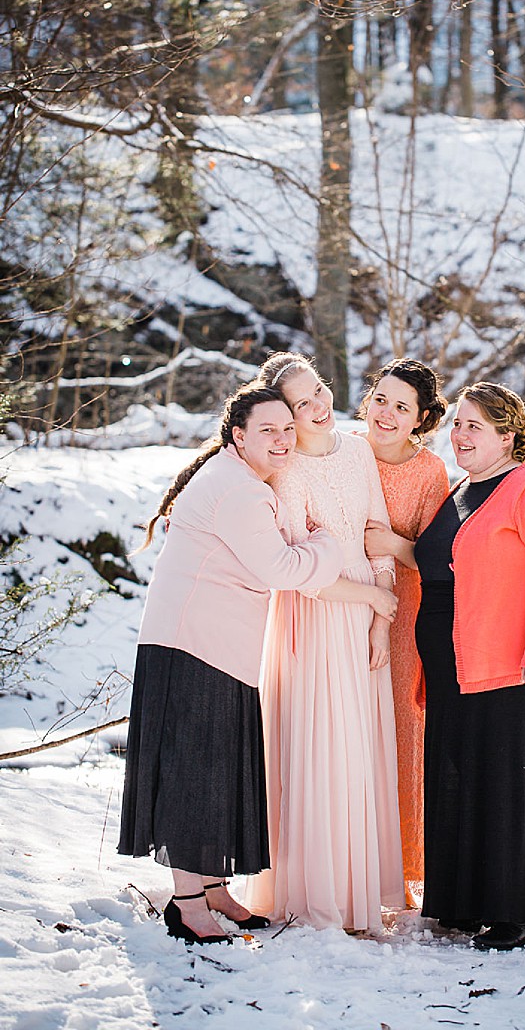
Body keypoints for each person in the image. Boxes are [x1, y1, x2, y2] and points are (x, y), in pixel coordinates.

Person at [118, 383, 343, 943]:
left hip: (214, 646)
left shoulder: (236, 477)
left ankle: (215, 890)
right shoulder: (241, 491)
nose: (282, 440)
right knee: (196, 774)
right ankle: (188, 904)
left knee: (216, 769)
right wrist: (328, 544)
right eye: (268, 430)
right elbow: (281, 569)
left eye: (288, 429)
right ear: (238, 436)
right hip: (195, 646)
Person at [411, 382, 525, 951]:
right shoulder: (462, 489)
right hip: (456, 661)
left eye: (474, 427)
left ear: (508, 434)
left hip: (517, 663)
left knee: (512, 784)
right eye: (458, 424)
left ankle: (516, 910)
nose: (460, 435)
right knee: (462, 779)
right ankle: (464, 902)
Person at [245, 352, 405, 931]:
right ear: (283, 417)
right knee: (325, 748)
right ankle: (322, 896)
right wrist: (367, 600)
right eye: (301, 404)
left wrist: (382, 618)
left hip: (368, 612)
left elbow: (377, 536)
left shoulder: (359, 449)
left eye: (319, 391)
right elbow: (298, 572)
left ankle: (362, 891)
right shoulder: (287, 473)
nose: (319, 407)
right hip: (318, 618)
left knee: (362, 750)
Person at [358, 358, 452, 906]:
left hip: (400, 615)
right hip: (338, 608)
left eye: (401, 408)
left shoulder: (428, 472)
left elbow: (437, 557)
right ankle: (339, 861)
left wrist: (393, 544)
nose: (386, 415)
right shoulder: (341, 450)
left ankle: (395, 871)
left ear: (419, 419)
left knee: (396, 731)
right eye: (381, 401)